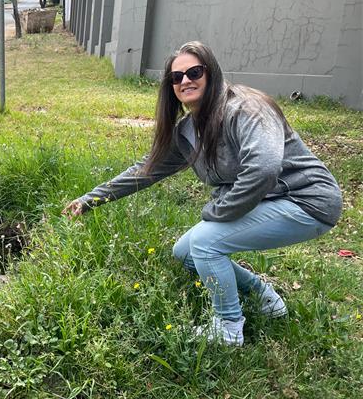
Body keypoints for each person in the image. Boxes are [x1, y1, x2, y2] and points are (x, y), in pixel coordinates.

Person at [63, 41, 342, 346]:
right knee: (185, 252)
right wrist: (90, 199)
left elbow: (263, 169)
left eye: (194, 72)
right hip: (270, 199)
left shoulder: (246, 108)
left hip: (307, 201)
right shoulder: (188, 130)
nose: (185, 80)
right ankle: (264, 296)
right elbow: (145, 169)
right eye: (176, 77)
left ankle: (228, 328)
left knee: (205, 243)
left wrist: (218, 212)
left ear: (212, 73)